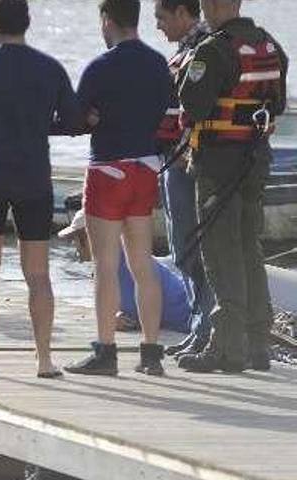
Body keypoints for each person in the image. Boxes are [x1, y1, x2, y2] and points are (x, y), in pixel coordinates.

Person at [0, 0, 84, 379]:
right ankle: (44, 361)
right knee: (38, 274)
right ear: (28, 22)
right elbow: (73, 120)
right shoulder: (50, 68)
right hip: (35, 180)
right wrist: (40, 124)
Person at [176, 0, 288, 372]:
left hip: (218, 164)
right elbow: (278, 104)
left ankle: (226, 348)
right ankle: (258, 343)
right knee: (248, 247)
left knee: (221, 252)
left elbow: (192, 104)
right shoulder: (269, 45)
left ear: (212, 4)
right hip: (255, 161)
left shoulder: (213, 50)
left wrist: (182, 71)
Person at [63, 0, 171, 376]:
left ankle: (106, 352)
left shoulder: (100, 66)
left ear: (107, 20)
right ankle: (152, 354)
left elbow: (75, 118)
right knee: (143, 264)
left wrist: (91, 118)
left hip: (107, 168)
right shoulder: (159, 64)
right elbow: (169, 116)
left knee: (106, 265)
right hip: (145, 169)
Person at [152, 0, 214, 357]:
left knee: (192, 247)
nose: (159, 26)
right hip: (174, 160)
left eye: (162, 17)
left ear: (182, 13)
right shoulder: (187, 50)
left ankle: (206, 329)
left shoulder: (204, 50)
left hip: (187, 165)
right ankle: (199, 327)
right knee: (183, 247)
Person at [59, 209, 192, 335]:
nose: (73, 244)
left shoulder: (119, 264)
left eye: (74, 238)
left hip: (190, 318)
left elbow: (132, 316)